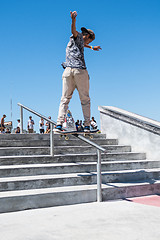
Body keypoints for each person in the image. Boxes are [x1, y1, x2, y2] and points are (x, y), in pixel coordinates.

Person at [55, 11, 102, 132]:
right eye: (89, 41)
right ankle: (87, 125)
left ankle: (59, 124)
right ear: (86, 35)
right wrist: (73, 20)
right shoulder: (79, 36)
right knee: (85, 99)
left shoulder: (77, 41)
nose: (88, 43)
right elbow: (74, 31)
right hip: (80, 71)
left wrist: (91, 47)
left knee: (64, 99)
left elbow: (82, 43)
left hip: (67, 71)